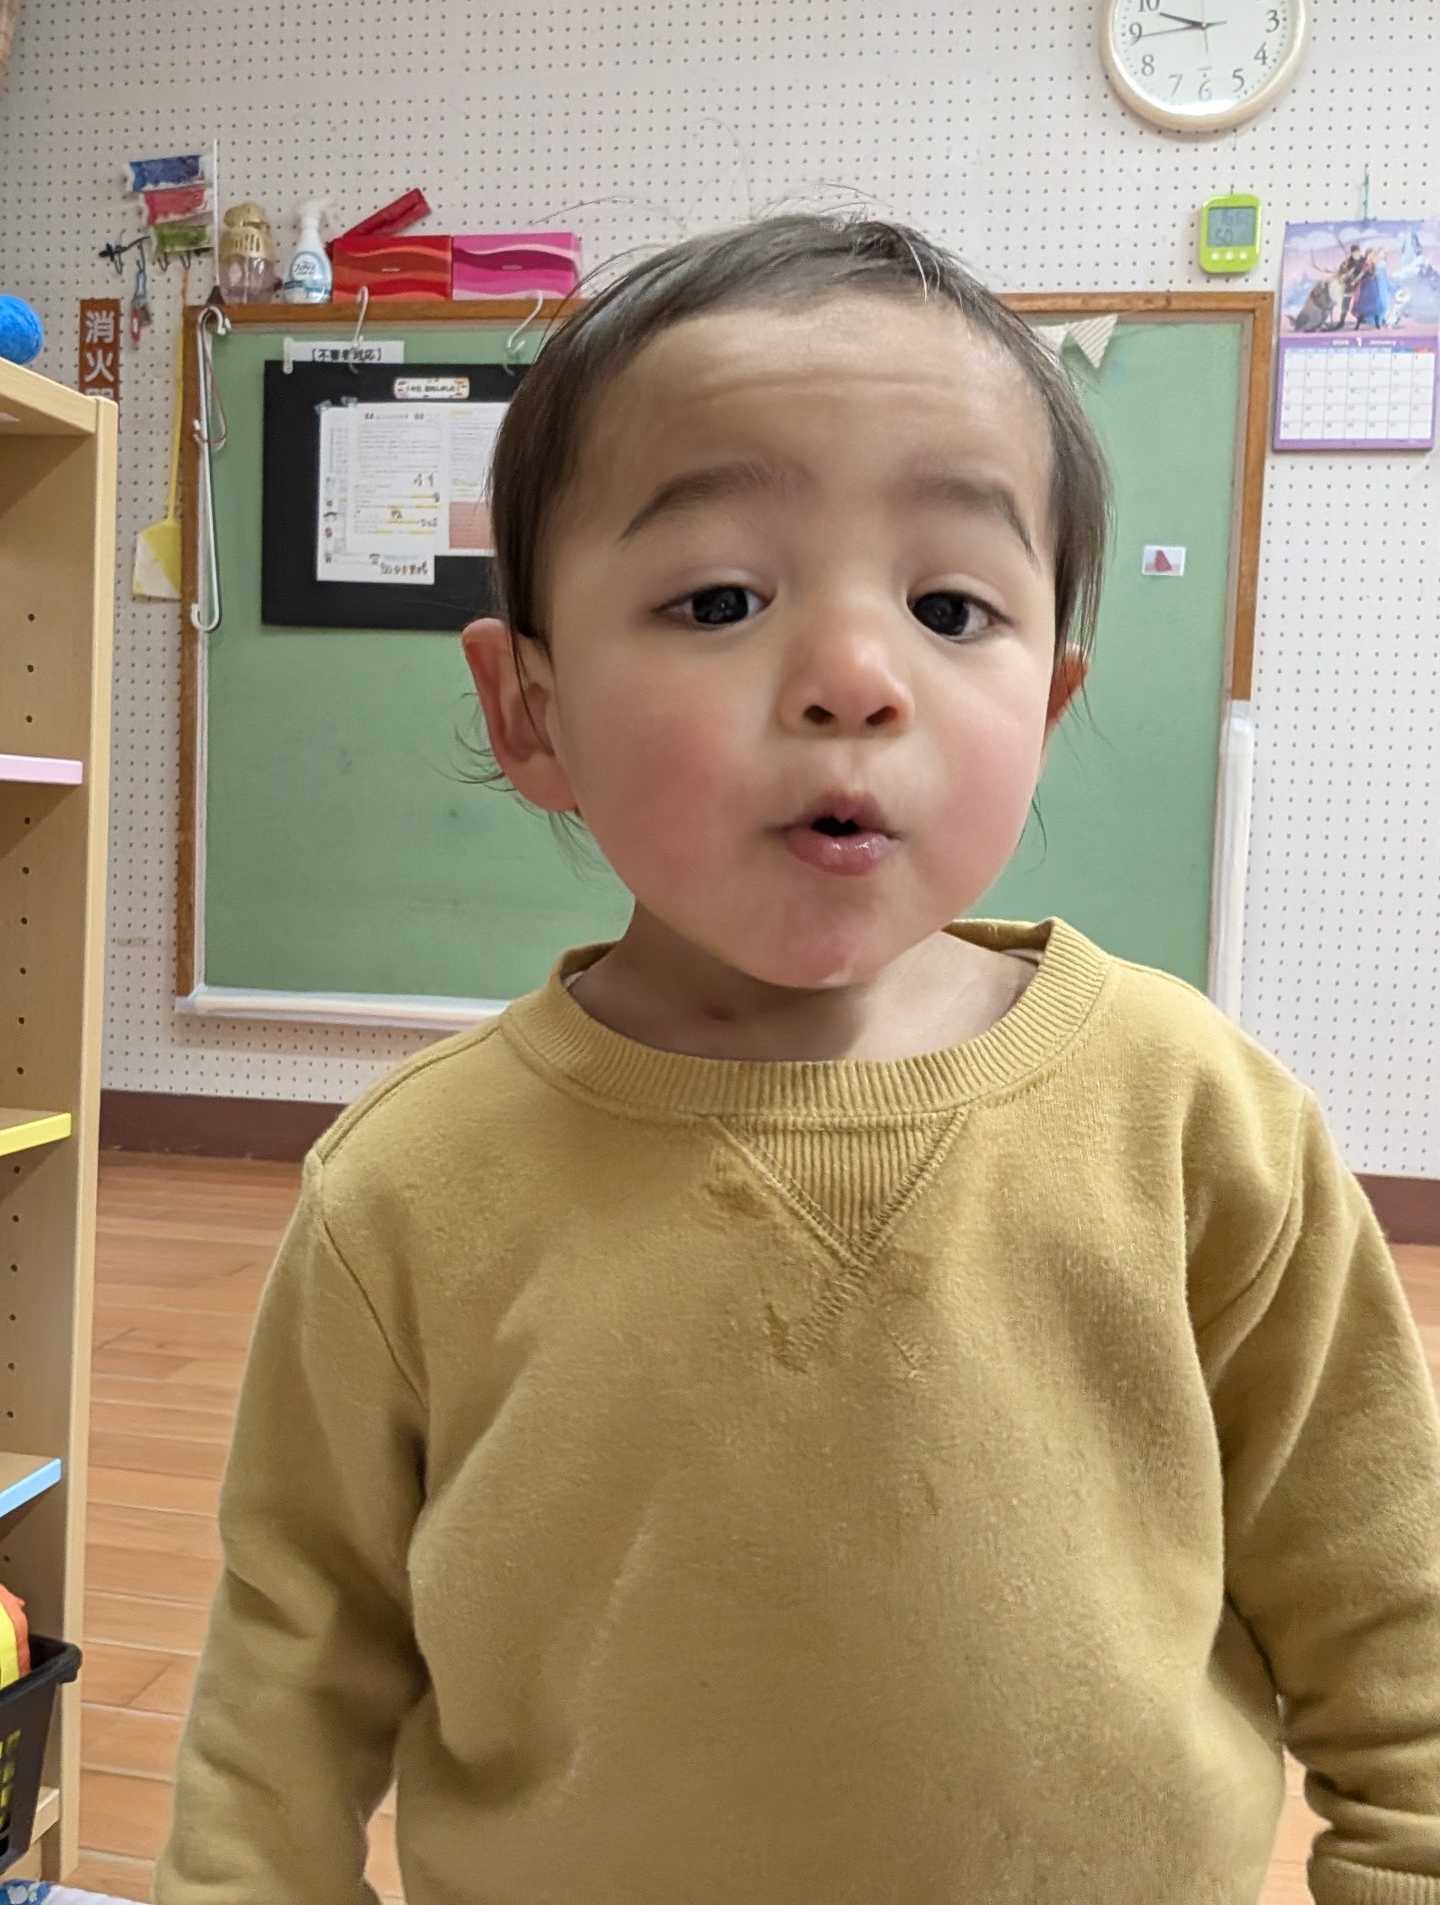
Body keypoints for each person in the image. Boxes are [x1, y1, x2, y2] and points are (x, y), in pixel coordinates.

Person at [155, 215, 1440, 1905]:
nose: (853, 680)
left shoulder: (1202, 1121)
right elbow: (286, 1687)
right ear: (528, 707)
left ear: (1048, 705)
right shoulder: (407, 1188)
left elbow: (1392, 1623)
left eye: (950, 605)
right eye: (720, 598)